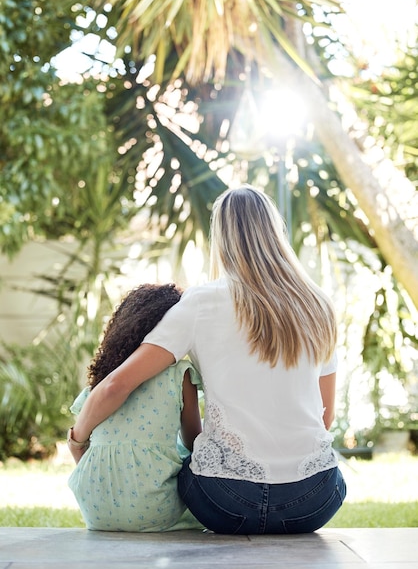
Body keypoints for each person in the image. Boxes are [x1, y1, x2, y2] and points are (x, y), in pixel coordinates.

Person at [69, 184, 346, 535]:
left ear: (222, 238)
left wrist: (77, 439)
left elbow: (116, 384)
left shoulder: (201, 303)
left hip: (226, 504)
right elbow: (326, 416)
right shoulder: (317, 304)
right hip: (314, 500)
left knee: (189, 462)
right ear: (275, 232)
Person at [67, 283, 203, 532]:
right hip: (154, 509)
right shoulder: (179, 374)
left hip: (94, 508)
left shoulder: (102, 381)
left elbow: (81, 447)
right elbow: (195, 442)